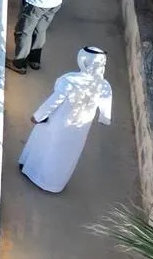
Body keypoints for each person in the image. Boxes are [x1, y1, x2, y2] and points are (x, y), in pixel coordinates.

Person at [19, 47, 113, 193]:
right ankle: (53, 183)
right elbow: (106, 115)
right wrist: (103, 118)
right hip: (79, 129)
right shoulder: (104, 86)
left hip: (56, 122)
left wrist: (38, 116)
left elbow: (53, 102)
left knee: (45, 145)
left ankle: (33, 172)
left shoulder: (70, 80)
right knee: (66, 154)